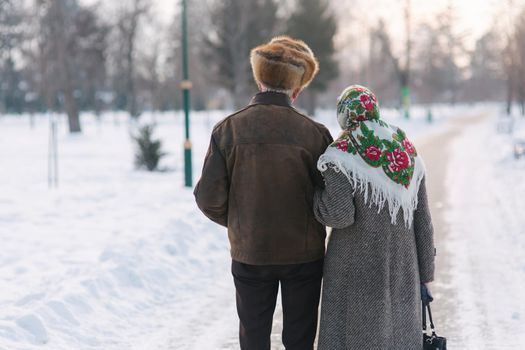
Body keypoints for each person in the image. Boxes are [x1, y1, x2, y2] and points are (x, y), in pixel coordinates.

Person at [193, 36, 333, 350]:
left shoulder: (227, 130)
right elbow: (330, 199)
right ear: (296, 89)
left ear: (258, 80)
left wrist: (241, 222)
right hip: (304, 256)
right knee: (299, 339)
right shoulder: (316, 134)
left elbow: (208, 198)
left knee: (253, 337)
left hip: (250, 252)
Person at [314, 85, 436, 350]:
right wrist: (425, 274)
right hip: (403, 264)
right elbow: (423, 219)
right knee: (399, 338)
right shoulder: (405, 150)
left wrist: (313, 198)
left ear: (345, 115)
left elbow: (340, 215)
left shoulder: (340, 153)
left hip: (354, 270)